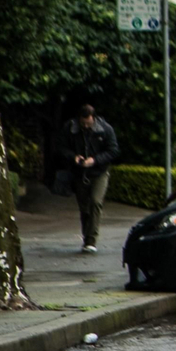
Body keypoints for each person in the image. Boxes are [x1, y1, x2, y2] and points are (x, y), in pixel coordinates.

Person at [58, 105, 120, 254]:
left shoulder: (105, 129)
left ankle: (92, 239)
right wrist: (74, 157)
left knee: (95, 201)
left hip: (99, 171)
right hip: (80, 172)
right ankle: (87, 238)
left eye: (88, 123)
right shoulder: (70, 128)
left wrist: (95, 160)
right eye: (83, 123)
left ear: (94, 119)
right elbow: (61, 147)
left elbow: (113, 150)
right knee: (84, 207)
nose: (86, 126)